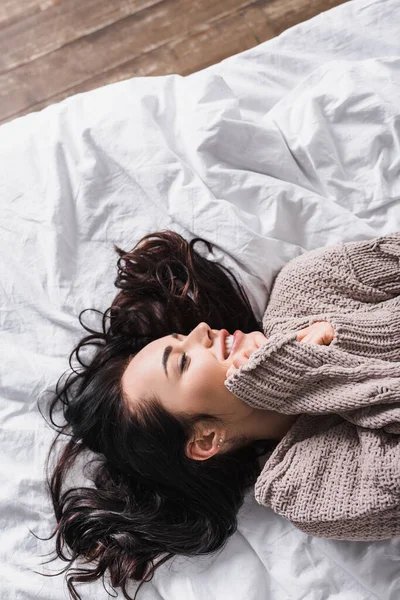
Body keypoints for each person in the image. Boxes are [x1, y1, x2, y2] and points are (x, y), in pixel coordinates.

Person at [39, 230, 400, 600]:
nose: (201, 332)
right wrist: (309, 371)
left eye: (182, 336)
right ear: (207, 438)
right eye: (182, 361)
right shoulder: (309, 493)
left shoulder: (305, 288)